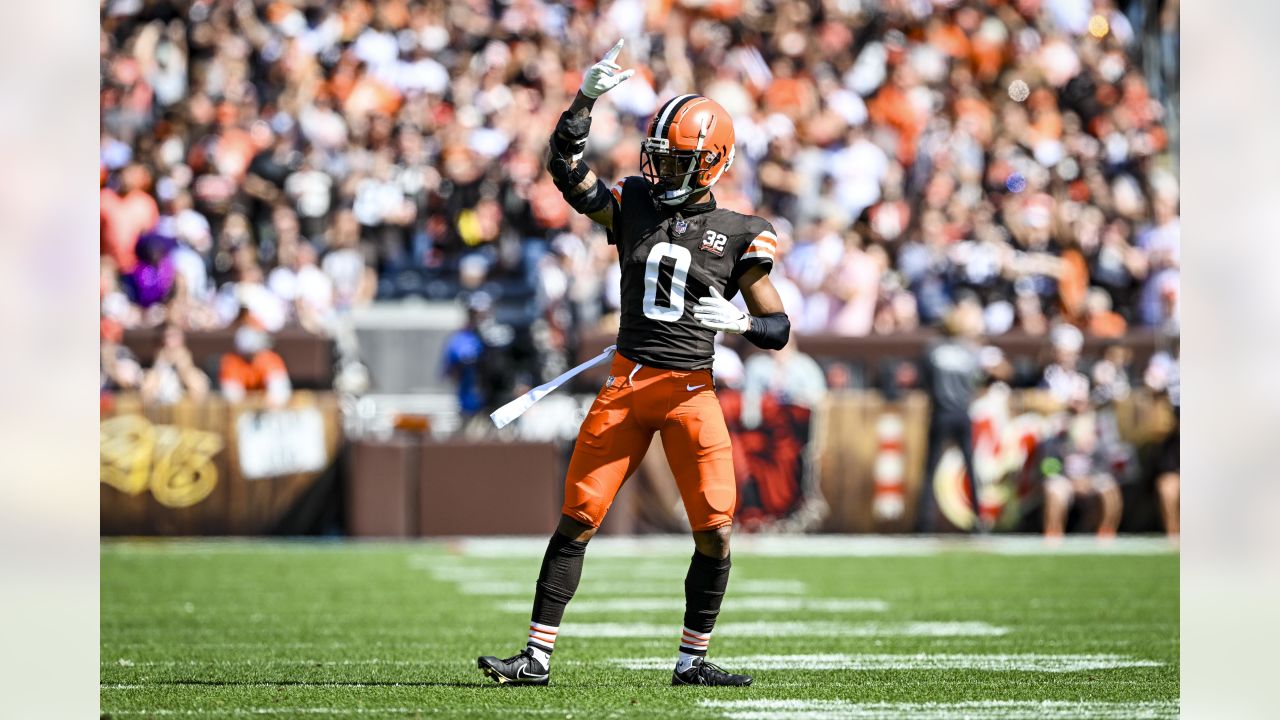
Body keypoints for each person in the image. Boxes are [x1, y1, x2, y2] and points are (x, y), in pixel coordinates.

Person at [477, 41, 790, 688]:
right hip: (626, 383)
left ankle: (691, 660)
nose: (664, 169)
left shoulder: (738, 232)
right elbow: (566, 171)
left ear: (712, 163)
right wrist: (584, 101)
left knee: (715, 531)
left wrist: (745, 323)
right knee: (578, 517)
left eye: (679, 160)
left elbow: (779, 326)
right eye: (661, 156)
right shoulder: (636, 205)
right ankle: (535, 657)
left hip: (689, 394)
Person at [219, 314, 292, 409]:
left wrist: (266, 400)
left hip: (268, 413)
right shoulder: (231, 361)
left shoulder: (269, 359)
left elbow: (279, 393)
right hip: (241, 413)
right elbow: (231, 397)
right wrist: (252, 402)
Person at [141, 322, 210, 406]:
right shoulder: (159, 358)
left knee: (195, 381)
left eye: (174, 336)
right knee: (150, 379)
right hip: (161, 402)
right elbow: (147, 393)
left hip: (185, 404)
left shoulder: (187, 359)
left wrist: (182, 366)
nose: (169, 341)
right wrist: (162, 362)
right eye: (166, 336)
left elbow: (197, 392)